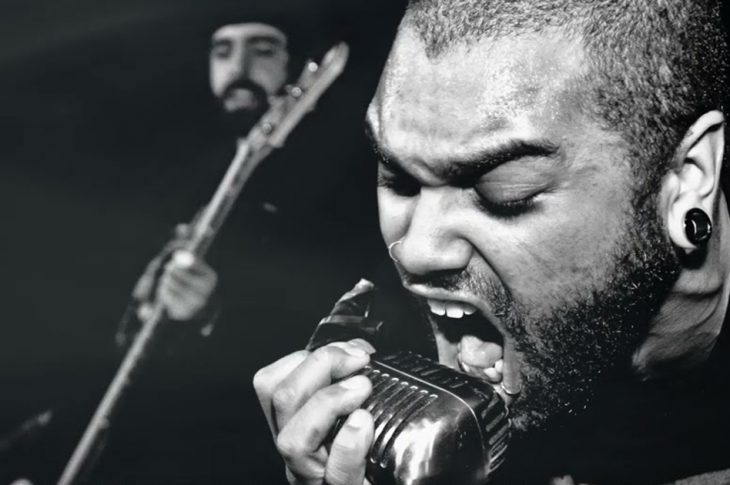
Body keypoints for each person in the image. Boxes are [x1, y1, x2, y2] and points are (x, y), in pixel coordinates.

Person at [253, 1, 730, 484]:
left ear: (689, 180)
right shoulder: (374, 330)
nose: (415, 250)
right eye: (398, 179)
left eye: (504, 191)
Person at [118, 22, 291, 344]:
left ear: (292, 65)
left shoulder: (312, 183)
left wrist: (209, 310)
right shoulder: (169, 163)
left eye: (263, 51)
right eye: (223, 52)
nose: (239, 67)